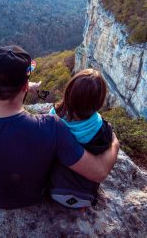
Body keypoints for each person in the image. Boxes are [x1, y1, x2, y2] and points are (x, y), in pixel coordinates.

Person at [0, 45, 120, 209]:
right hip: (35, 196)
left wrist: (20, 88)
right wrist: (114, 144)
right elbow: (99, 172)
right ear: (25, 86)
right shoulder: (51, 128)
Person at [49, 69, 113, 208]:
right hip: (84, 195)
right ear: (99, 102)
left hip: (52, 187)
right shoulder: (101, 128)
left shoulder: (52, 118)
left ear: (68, 93)